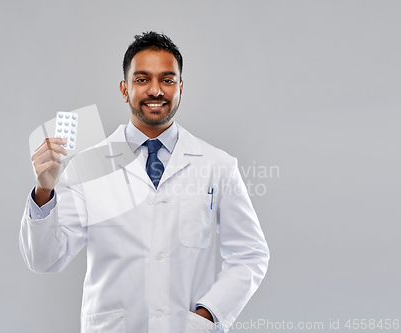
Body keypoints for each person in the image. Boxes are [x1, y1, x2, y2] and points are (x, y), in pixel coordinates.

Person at [20, 31, 269, 333]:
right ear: (124, 89)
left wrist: (208, 315)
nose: (155, 90)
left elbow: (250, 254)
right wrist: (44, 190)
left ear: (180, 87)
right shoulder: (89, 166)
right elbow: (44, 259)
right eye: (142, 80)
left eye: (167, 79)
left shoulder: (217, 165)